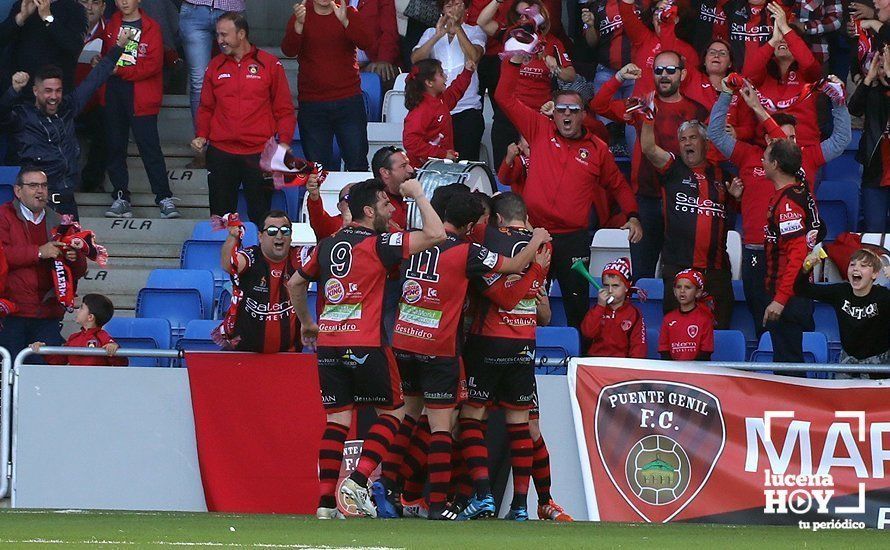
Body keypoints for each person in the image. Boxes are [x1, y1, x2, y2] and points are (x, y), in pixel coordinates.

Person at [379, 191, 550, 520]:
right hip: (457, 344)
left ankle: (392, 488)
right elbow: (510, 289)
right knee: (451, 425)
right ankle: (465, 503)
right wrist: (537, 255)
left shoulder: (411, 241)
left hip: (407, 338)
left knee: (415, 418)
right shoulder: (473, 250)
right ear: (473, 224)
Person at [287, 178, 447, 520]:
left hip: (329, 342)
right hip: (366, 341)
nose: (392, 210)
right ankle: (358, 481)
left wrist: (306, 323)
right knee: (394, 412)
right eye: (385, 206)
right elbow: (436, 234)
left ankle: (325, 503)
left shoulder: (328, 244)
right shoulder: (380, 244)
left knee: (337, 421)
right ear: (368, 211)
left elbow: (295, 282)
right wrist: (418, 194)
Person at [495, 56, 642, 330]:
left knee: (577, 308)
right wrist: (513, 63)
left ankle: (576, 363)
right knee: (526, 304)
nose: (566, 115)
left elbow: (618, 185)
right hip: (534, 234)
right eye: (561, 110)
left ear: (583, 113)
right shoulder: (538, 127)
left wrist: (633, 215)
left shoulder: (597, 148)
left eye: (573, 110)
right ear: (554, 112)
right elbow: (504, 97)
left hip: (573, 241)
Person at [707, 77, 849, 337]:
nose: (790, 142)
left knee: (798, 319)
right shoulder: (749, 155)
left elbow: (841, 139)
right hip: (756, 251)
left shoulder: (806, 157)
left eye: (794, 138)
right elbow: (715, 133)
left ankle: (797, 375)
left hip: (793, 252)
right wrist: (726, 93)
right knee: (762, 320)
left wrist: (839, 103)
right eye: (784, 137)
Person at [456, 192, 553, 521]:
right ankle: (521, 506)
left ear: (495, 218)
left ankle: (482, 494)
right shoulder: (544, 245)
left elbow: (503, 294)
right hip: (524, 344)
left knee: (471, 418)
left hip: (487, 340)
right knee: (520, 425)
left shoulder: (486, 236)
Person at [592, 54, 709, 280]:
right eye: (658, 70)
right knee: (641, 274)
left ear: (682, 74)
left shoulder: (698, 111)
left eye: (670, 70)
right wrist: (618, 78)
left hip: (683, 199)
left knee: (682, 274)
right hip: (647, 199)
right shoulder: (640, 104)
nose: (664, 75)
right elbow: (599, 105)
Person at [0, 39, 127, 218]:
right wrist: (13, 91)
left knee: (75, 246)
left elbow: (94, 79)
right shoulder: (23, 116)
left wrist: (118, 48)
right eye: (48, 91)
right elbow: (2, 114)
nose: (54, 96)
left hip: (67, 200)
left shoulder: (68, 107)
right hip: (37, 203)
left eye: (58, 91)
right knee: (42, 246)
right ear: (36, 91)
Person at [192, 12, 296, 225]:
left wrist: (284, 142)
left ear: (241, 34)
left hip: (258, 154)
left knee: (261, 217)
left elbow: (284, 109)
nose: (219, 40)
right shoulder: (215, 66)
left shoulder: (269, 64)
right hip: (221, 153)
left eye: (224, 35)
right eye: (217, 35)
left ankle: (257, 256)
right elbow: (206, 107)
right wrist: (202, 135)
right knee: (220, 219)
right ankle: (221, 256)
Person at [638, 116, 734, 328]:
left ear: (706, 143)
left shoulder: (723, 176)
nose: (687, 143)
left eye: (693, 138)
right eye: (683, 139)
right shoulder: (673, 167)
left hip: (715, 272)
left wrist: (737, 196)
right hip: (677, 269)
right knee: (676, 331)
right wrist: (648, 119)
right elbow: (648, 149)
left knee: (718, 331)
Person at [102, 0, 179, 219]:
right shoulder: (112, 23)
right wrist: (104, 63)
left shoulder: (152, 26)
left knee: (150, 148)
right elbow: (109, 56)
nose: (123, 2)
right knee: (115, 146)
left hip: (141, 96)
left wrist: (119, 71)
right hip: (115, 93)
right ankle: (120, 196)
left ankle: (164, 197)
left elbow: (153, 65)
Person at [0, 167, 87, 359]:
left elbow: (80, 270)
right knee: (10, 377)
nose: (40, 190)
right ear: (18, 191)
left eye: (44, 186)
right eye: (33, 185)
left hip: (48, 314)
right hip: (11, 314)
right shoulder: (3, 216)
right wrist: (39, 251)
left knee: (42, 377)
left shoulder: (61, 221)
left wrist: (75, 258)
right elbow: (3, 254)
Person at [481, 0, 576, 168]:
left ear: (541, 17)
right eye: (520, 15)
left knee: (540, 167)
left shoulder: (552, 42)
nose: (525, 18)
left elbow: (570, 75)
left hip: (539, 115)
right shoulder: (509, 35)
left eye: (529, 14)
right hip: (509, 113)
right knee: (505, 167)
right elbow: (482, 22)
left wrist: (555, 67)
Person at [282, 0, 374, 172]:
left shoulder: (349, 12)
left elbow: (367, 43)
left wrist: (346, 22)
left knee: (357, 163)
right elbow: (288, 50)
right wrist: (299, 26)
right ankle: (319, 200)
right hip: (313, 103)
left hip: (348, 100)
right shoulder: (301, 13)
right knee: (318, 168)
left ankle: (359, 199)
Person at [762, 138, 825, 364]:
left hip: (789, 297)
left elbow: (797, 256)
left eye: (766, 155)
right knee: (787, 361)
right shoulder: (798, 188)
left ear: (776, 164)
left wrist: (780, 299)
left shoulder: (788, 203)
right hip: (792, 294)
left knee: (789, 365)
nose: (762, 159)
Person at [216, 210, 305, 354]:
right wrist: (233, 237)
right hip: (245, 354)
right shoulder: (251, 257)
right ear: (260, 236)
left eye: (285, 230)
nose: (279, 235)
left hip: (288, 356)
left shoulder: (299, 257)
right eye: (271, 231)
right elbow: (228, 264)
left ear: (291, 236)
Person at [411, 0, 486, 161]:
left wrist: (457, 28)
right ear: (442, 10)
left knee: (466, 161)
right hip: (437, 110)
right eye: (448, 6)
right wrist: (439, 35)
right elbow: (416, 59)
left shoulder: (475, 31)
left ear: (466, 9)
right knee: (440, 161)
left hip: (468, 108)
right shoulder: (431, 32)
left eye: (458, 4)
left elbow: (474, 56)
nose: (453, 10)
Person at [795, 247, 890, 373]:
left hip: (879, 365)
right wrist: (805, 270)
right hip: (847, 363)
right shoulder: (840, 292)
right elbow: (800, 289)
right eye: (852, 265)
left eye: (863, 266)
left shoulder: (884, 296)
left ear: (875, 274)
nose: (856, 268)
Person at [178, 0, 246, 149]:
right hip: (194, 9)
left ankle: (236, 143)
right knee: (198, 83)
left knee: (235, 78)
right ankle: (201, 145)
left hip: (231, 11)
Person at [0, 0, 88, 94]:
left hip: (54, 95)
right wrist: (21, 17)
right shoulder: (23, 4)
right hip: (20, 89)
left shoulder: (75, 9)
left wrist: (48, 18)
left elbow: (74, 45)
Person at [403, 58, 475, 167]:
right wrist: (441, 154)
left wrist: (467, 72)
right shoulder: (421, 109)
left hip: (438, 167)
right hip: (423, 171)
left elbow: (455, 92)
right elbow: (410, 141)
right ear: (429, 83)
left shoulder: (440, 100)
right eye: (441, 74)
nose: (445, 77)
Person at [849, 47, 890, 232]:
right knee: (874, 230)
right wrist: (867, 79)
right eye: (880, 66)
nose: (884, 71)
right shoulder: (873, 93)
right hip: (875, 175)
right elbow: (854, 109)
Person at [30, 293, 127, 366]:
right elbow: (59, 360)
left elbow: (121, 362)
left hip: (97, 385)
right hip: (76, 385)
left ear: (90, 317)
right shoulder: (73, 338)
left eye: (81, 308)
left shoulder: (102, 337)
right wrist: (43, 350)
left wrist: (114, 348)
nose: (77, 310)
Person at [580, 257, 647, 358]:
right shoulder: (596, 309)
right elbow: (588, 333)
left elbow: (638, 347)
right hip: (596, 361)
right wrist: (600, 306)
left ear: (626, 287)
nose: (610, 290)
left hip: (621, 365)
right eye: (606, 285)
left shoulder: (634, 313)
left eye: (615, 286)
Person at [74, 0, 108, 193]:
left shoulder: (112, 32)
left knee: (109, 123)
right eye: (84, 1)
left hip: (97, 102)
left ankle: (92, 182)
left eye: (94, 2)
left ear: (103, 7)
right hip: (65, 101)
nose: (89, 7)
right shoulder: (65, 26)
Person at [658, 269, 715, 361]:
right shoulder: (668, 319)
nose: (682, 291)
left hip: (697, 371)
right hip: (673, 371)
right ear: (674, 291)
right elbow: (664, 350)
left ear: (698, 292)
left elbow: (706, 352)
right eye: (678, 287)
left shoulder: (705, 319)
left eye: (688, 287)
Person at [355, 0, 401, 88]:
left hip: (373, 62)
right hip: (344, 63)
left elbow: (390, 31)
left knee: (384, 72)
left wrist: (383, 60)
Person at [371, 146, 416, 229]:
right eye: (403, 166)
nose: (411, 170)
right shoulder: (372, 203)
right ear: (385, 172)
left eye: (408, 164)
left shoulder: (418, 194)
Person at [305, 175, 353, 241]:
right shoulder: (330, 225)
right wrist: (314, 195)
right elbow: (317, 214)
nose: (354, 201)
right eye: (348, 197)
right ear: (339, 206)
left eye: (359, 197)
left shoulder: (371, 223)